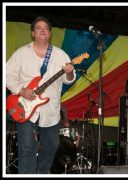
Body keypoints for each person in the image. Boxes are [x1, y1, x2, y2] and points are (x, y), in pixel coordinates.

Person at [6, 16, 76, 173]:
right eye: (38, 28)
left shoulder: (60, 55)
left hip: (50, 111)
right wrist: (21, 90)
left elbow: (69, 80)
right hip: (24, 107)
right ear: (33, 33)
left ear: (50, 33)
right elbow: (7, 75)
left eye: (46, 28)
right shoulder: (21, 53)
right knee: (26, 147)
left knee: (51, 147)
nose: (42, 30)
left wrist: (70, 73)